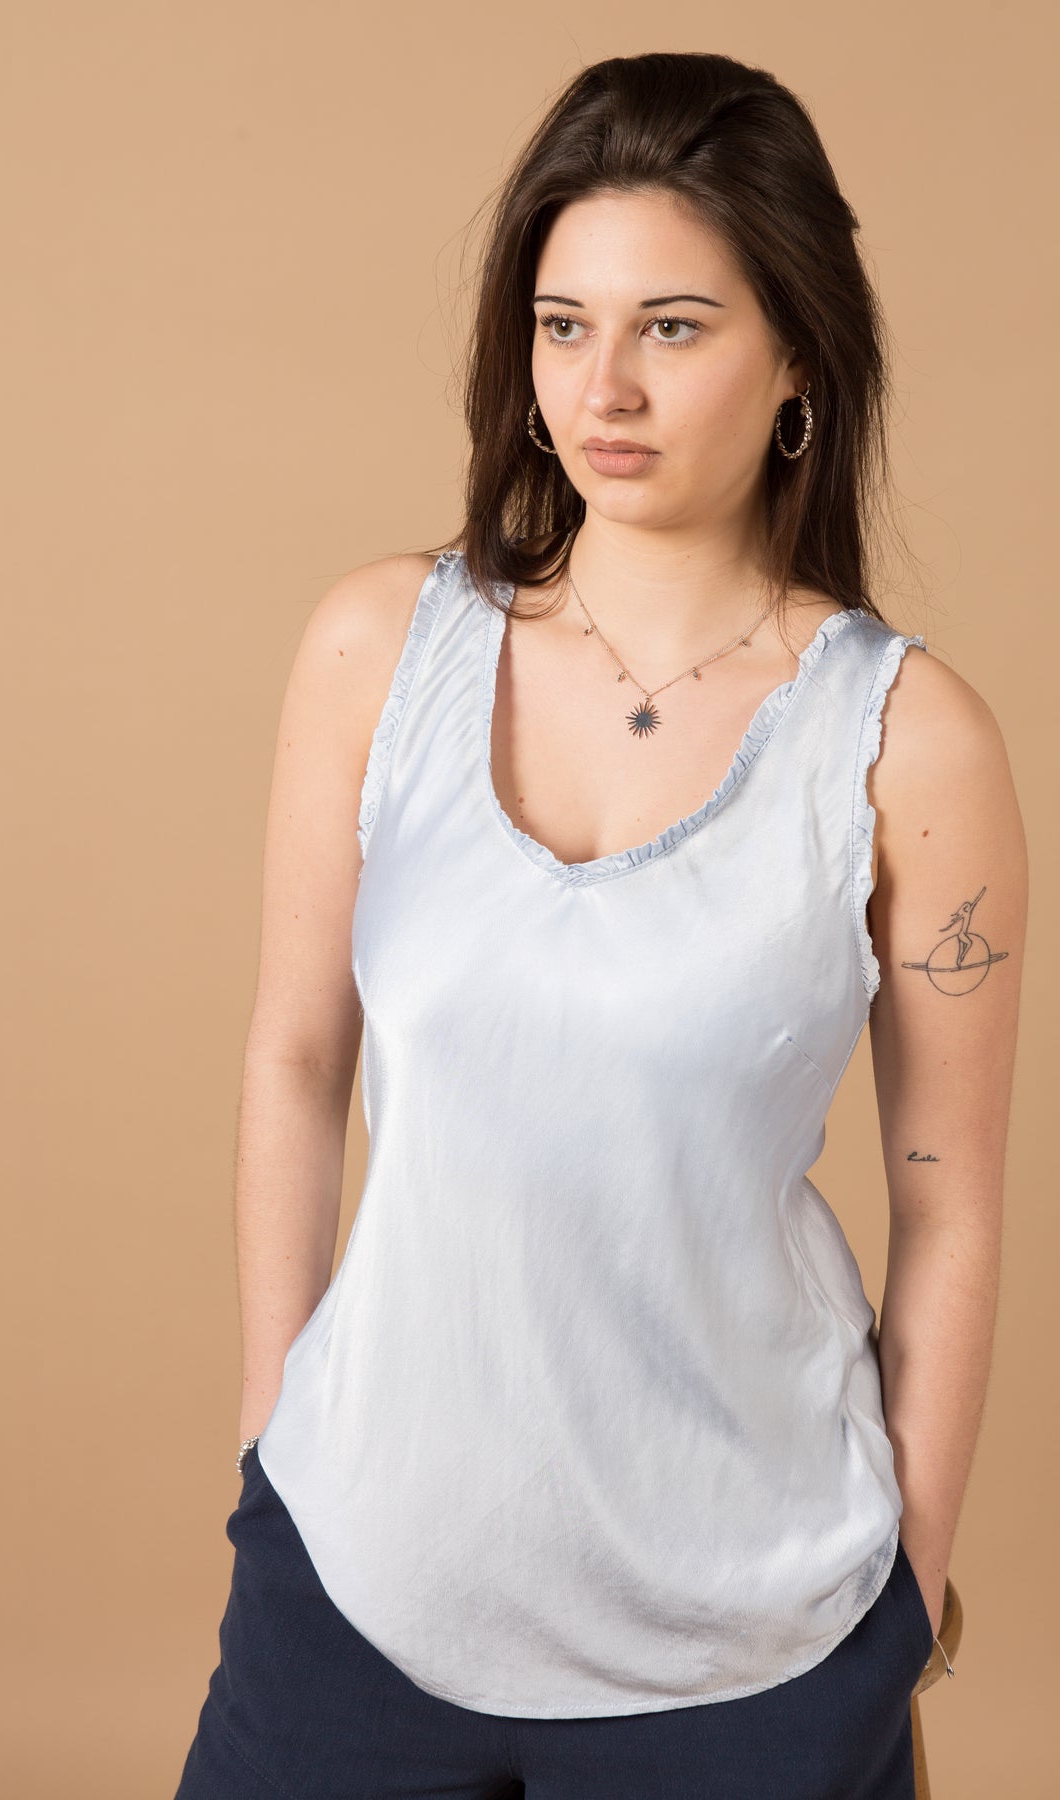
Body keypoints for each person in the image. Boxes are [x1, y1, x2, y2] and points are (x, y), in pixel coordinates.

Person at [173, 49, 1026, 1800]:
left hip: (754, 1644)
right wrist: (276, 1445)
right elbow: (294, 1057)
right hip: (358, 1587)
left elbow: (949, 1200)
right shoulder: (377, 648)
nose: (603, 386)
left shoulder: (906, 740)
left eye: (675, 328)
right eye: (564, 325)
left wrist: (905, 1588)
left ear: (800, 358)